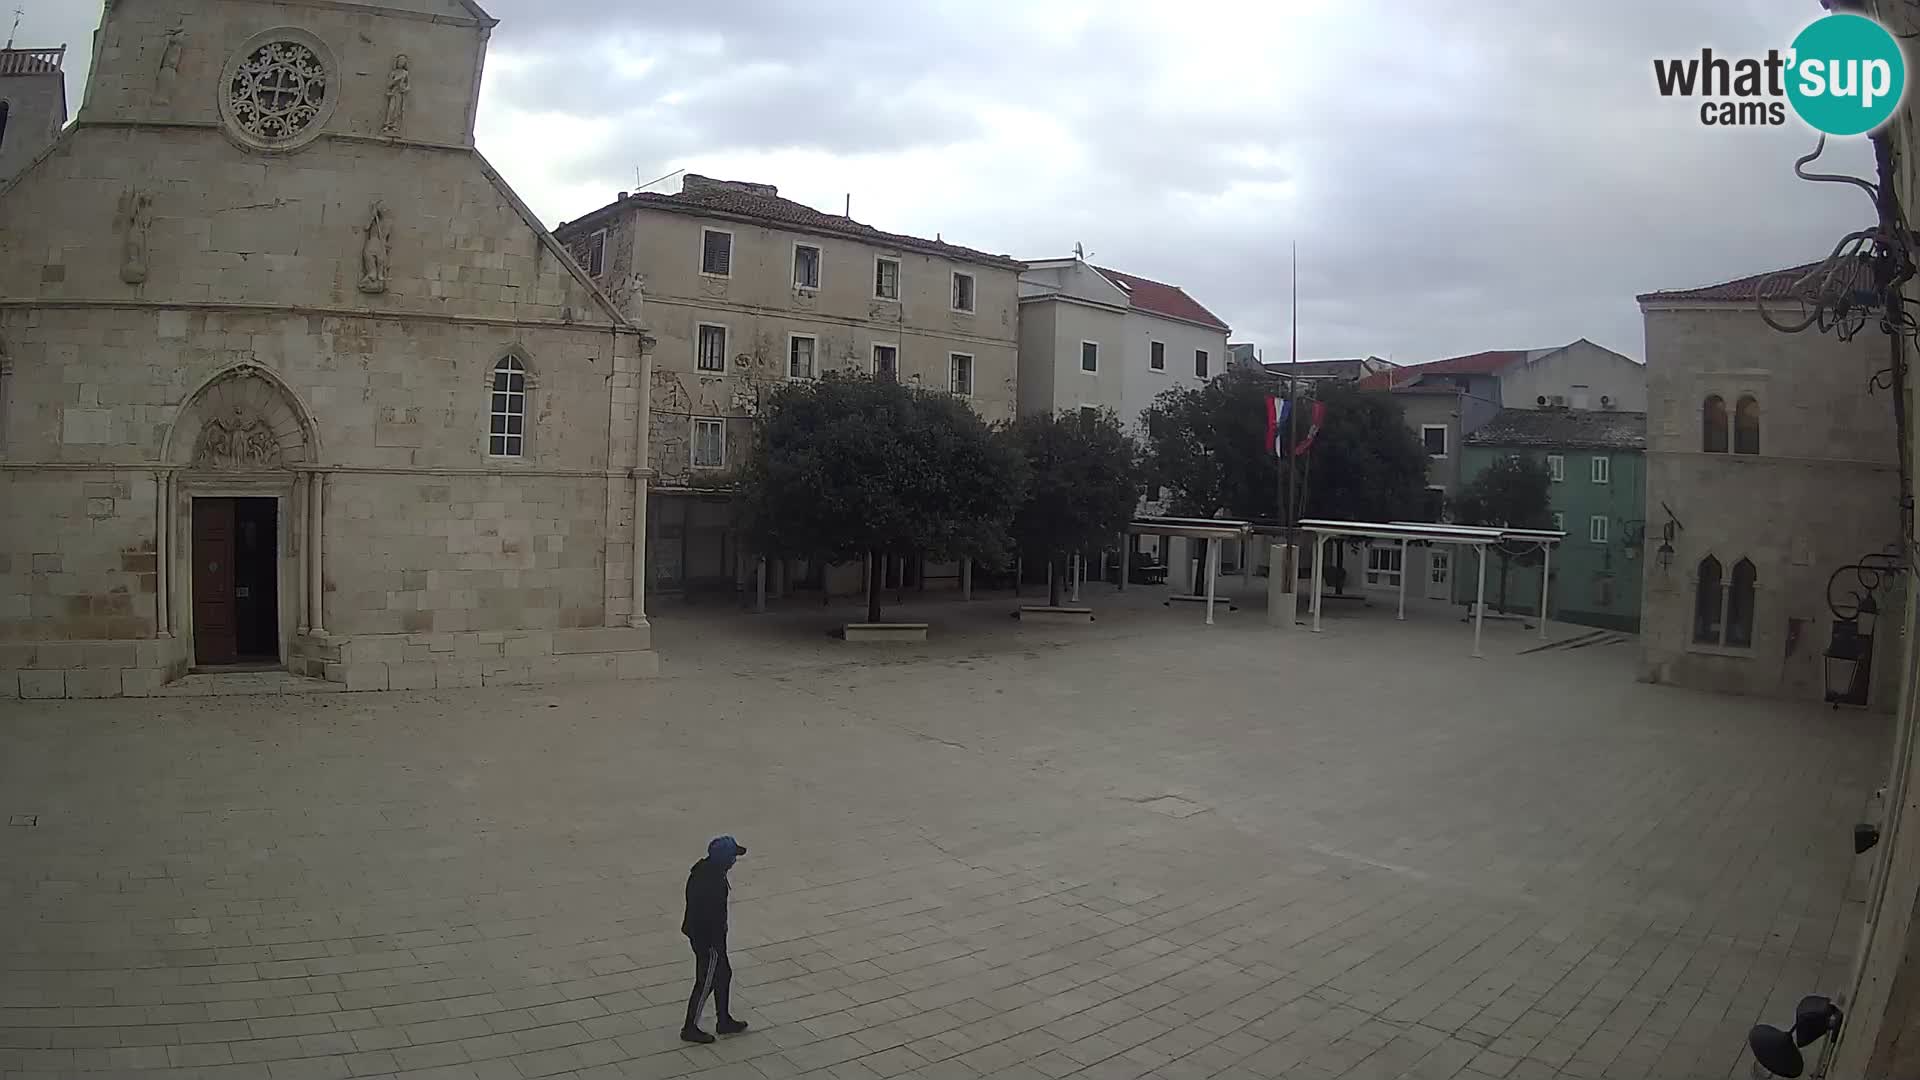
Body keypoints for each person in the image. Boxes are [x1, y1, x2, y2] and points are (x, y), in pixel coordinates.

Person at [681, 835, 749, 1043]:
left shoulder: (705, 871)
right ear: (725, 859)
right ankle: (689, 1028)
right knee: (706, 982)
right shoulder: (712, 882)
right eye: (733, 857)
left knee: (724, 974)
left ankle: (724, 1020)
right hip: (708, 942)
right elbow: (711, 918)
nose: (735, 861)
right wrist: (716, 945)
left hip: (707, 937)